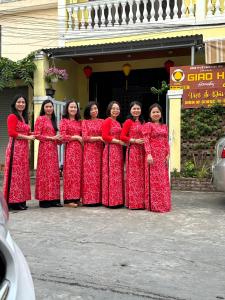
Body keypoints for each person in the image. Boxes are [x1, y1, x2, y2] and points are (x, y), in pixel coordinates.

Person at [3, 95, 35, 210]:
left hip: (23, 150)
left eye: (23, 102)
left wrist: (34, 134)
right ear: (14, 104)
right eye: (19, 102)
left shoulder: (23, 118)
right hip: (15, 150)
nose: (21, 104)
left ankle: (21, 200)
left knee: (22, 176)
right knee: (15, 176)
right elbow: (12, 133)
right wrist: (28, 138)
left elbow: (27, 132)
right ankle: (13, 203)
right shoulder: (12, 116)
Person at [142, 103, 171, 212]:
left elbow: (166, 141)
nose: (156, 114)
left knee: (162, 180)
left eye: (157, 112)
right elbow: (146, 140)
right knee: (154, 181)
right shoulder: (148, 125)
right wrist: (148, 153)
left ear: (161, 113)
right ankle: (155, 205)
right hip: (153, 156)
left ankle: (164, 203)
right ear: (150, 114)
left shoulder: (164, 126)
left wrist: (168, 153)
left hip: (162, 157)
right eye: (153, 112)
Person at [34, 99, 62, 208]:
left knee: (54, 174)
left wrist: (59, 139)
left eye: (50, 107)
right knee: (45, 174)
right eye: (47, 107)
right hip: (44, 150)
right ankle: (44, 200)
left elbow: (57, 139)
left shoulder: (54, 120)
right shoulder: (40, 119)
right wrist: (52, 138)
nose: (49, 109)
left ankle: (54, 199)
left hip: (53, 151)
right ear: (43, 108)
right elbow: (37, 135)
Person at [120, 101, 145, 209]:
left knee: (141, 176)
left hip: (142, 151)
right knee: (133, 176)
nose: (136, 111)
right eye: (134, 109)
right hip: (133, 151)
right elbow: (122, 136)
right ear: (130, 110)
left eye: (138, 109)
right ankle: (133, 202)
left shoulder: (143, 122)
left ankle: (141, 202)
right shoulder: (128, 122)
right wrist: (134, 140)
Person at [102, 101, 125, 207]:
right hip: (111, 150)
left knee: (118, 175)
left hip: (118, 150)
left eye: (117, 109)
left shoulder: (118, 123)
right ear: (109, 110)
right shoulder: (107, 121)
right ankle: (110, 201)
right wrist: (118, 141)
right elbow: (105, 137)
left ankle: (118, 200)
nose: (116, 110)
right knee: (111, 175)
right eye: (113, 108)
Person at [60, 100, 82, 207]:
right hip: (70, 150)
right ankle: (68, 200)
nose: (73, 109)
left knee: (78, 174)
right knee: (70, 174)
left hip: (80, 150)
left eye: (75, 107)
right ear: (67, 109)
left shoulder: (79, 122)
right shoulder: (64, 121)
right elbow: (63, 136)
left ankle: (76, 197)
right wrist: (76, 137)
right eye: (71, 107)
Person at [82, 102, 104, 206]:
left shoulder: (102, 121)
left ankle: (99, 199)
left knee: (99, 174)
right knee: (90, 175)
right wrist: (98, 138)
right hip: (89, 151)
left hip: (100, 150)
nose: (94, 111)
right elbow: (85, 137)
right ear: (88, 112)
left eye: (95, 108)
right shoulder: (85, 122)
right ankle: (89, 200)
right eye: (92, 109)